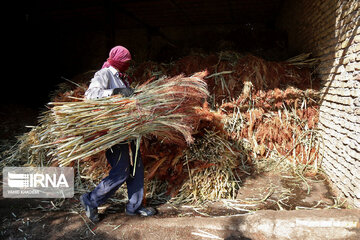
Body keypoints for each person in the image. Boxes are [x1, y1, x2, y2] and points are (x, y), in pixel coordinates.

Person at [80, 46, 156, 223]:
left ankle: (134, 206)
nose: (128, 65)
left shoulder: (123, 78)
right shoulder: (104, 74)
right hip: (114, 132)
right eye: (126, 62)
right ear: (118, 61)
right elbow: (90, 95)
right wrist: (115, 92)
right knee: (121, 171)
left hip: (131, 129)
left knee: (137, 168)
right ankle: (91, 200)